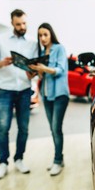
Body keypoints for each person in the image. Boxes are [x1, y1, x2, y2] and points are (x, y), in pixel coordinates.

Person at [0, 9, 38, 179]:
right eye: (18, 24)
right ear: (12, 23)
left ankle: (19, 159)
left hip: (24, 90)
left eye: (24, 23)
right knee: (3, 128)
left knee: (23, 128)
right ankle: (3, 162)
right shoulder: (0, 40)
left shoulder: (32, 42)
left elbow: (35, 66)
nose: (22, 26)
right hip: (6, 90)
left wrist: (33, 72)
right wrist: (1, 63)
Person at [29, 23, 69, 176]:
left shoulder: (59, 48)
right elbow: (43, 76)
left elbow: (60, 70)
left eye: (45, 34)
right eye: (40, 35)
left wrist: (43, 68)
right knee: (53, 129)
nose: (43, 38)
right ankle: (60, 158)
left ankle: (57, 161)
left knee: (56, 128)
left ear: (51, 34)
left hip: (60, 95)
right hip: (46, 95)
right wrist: (35, 71)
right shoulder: (41, 52)